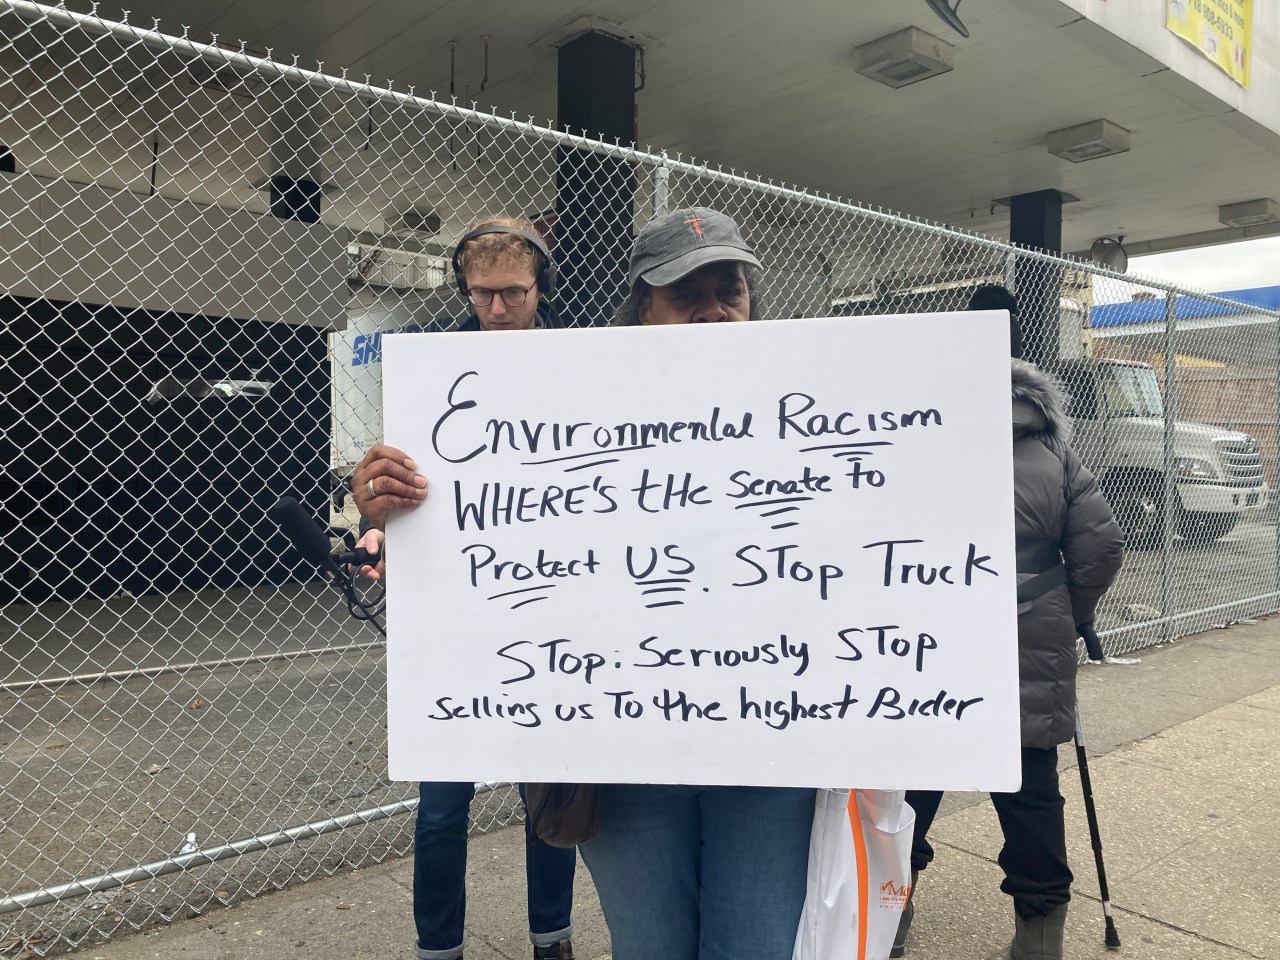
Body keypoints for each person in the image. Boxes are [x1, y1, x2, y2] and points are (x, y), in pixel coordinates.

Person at [355, 207, 814, 960]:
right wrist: (393, 513)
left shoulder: (815, 409)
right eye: (684, 293)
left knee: (756, 945)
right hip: (623, 744)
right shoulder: (558, 406)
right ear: (642, 309)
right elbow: (491, 551)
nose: (712, 312)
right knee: (653, 946)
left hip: (769, 746)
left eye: (728, 290)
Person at [353, 215, 576, 960]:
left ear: (543, 285)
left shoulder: (585, 364)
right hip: (457, 618)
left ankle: (554, 939)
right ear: (464, 289)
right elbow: (395, 486)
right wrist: (375, 513)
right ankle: (437, 949)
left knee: (549, 803)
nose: (498, 310)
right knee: (442, 808)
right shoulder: (433, 371)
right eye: (483, 295)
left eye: (513, 292)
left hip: (552, 611)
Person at [892, 286, 1124, 960]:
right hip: (1031, 628)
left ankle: (888, 914)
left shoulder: (916, 431)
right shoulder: (1052, 448)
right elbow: (1102, 547)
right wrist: (1066, 612)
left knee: (916, 775)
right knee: (1027, 780)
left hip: (931, 627)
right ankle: (1039, 932)